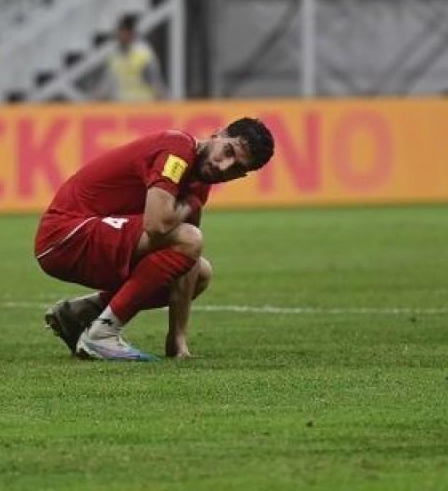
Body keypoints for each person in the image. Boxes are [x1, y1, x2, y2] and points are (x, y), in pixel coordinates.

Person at [35, 118, 276, 361]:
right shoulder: (177, 149)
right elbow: (156, 224)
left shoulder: (199, 184)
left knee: (200, 272)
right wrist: (190, 204)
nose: (223, 167)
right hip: (65, 234)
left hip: (88, 237)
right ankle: (103, 334)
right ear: (217, 134)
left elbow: (187, 261)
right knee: (189, 238)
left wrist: (177, 340)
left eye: (235, 168)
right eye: (228, 151)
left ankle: (79, 313)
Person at [102, 14, 166, 102]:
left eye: (124, 32)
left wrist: (159, 98)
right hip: (122, 105)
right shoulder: (113, 55)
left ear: (131, 33)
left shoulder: (143, 53)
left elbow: (155, 81)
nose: (121, 36)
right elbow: (108, 82)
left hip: (143, 104)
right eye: (119, 32)